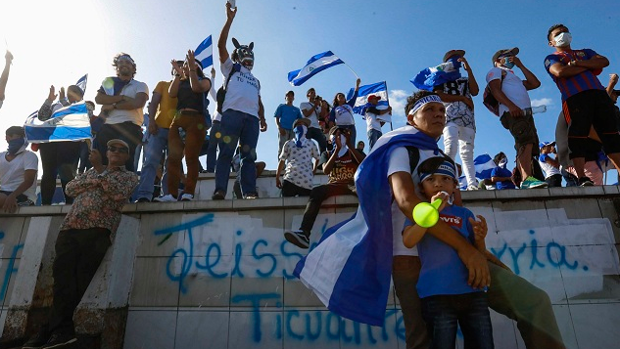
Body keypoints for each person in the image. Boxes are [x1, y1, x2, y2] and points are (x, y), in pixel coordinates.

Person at [20, 139, 138, 349]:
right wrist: (98, 177)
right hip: (71, 227)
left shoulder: (128, 176)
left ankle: (51, 330)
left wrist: (100, 172)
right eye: (112, 148)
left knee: (78, 282)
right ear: (107, 151)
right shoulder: (90, 172)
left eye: (122, 150)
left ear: (127, 157)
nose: (116, 152)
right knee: (62, 280)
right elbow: (71, 188)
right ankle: (59, 330)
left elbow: (118, 193)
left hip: (97, 231)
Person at [402, 157, 493, 349]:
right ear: (422, 187)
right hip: (436, 295)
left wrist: (480, 238)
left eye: (445, 179)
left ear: (454, 186)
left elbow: (478, 255)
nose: (438, 184)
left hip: (473, 292)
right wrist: (433, 210)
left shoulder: (464, 214)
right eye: (431, 180)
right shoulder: (419, 211)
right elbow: (409, 240)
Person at [544, 24, 620, 186]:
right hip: (574, 97)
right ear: (551, 42)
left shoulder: (585, 52)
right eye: (558, 33)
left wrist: (577, 64)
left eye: (565, 31)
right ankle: (581, 177)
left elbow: (603, 61)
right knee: (577, 136)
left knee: (611, 135)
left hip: (599, 95)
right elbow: (560, 72)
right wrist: (588, 66)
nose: (563, 35)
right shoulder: (552, 58)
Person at [213, 2, 267, 200]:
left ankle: (249, 192)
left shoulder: (255, 80)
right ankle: (220, 189)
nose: (249, 57)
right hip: (232, 114)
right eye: (245, 54)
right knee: (226, 152)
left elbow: (258, 99)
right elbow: (221, 46)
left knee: (249, 157)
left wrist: (262, 117)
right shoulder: (231, 68)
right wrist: (229, 20)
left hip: (251, 119)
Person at [284, 126, 364, 248]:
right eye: (335, 134)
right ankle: (304, 233)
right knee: (316, 192)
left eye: (341, 133)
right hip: (334, 184)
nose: (339, 136)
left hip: (351, 184)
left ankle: (373, 226)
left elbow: (364, 162)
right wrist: (336, 151)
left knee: (364, 190)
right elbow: (326, 170)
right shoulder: (326, 154)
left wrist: (350, 145)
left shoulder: (353, 152)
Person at [487, 47, 547, 189]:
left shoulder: (514, 77)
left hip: (525, 114)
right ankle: (527, 178)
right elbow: (495, 90)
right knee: (525, 140)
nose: (511, 58)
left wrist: (521, 66)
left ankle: (525, 178)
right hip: (512, 112)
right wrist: (511, 106)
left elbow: (535, 83)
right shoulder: (495, 71)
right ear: (498, 60)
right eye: (507, 55)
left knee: (527, 143)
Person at [158, 51, 211, 202]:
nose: (186, 67)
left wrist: (192, 70)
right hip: (179, 119)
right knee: (173, 158)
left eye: (189, 65)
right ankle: (171, 194)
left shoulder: (205, 80)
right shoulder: (180, 81)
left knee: (191, 157)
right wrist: (177, 74)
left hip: (196, 120)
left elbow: (197, 88)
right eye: (186, 65)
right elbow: (171, 93)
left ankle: (189, 192)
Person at [135, 60, 182, 202]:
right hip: (159, 128)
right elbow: (154, 103)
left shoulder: (186, 88)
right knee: (150, 162)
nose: (179, 69)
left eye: (181, 67)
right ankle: (144, 195)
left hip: (177, 131)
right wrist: (152, 122)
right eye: (176, 67)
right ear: (172, 71)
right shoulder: (162, 84)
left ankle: (167, 195)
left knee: (171, 165)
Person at [94, 53, 149, 172]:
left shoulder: (140, 85)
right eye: (120, 63)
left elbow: (137, 103)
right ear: (116, 68)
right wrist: (122, 98)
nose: (124, 64)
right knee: (103, 164)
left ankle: (125, 190)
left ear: (133, 68)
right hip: (107, 127)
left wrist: (111, 106)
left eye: (128, 63)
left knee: (126, 164)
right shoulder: (109, 83)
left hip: (130, 127)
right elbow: (99, 99)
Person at [434, 50, 479, 190]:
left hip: (467, 118)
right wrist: (462, 98)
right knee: (451, 146)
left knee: (467, 153)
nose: (459, 60)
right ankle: (447, 181)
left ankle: (472, 184)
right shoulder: (440, 78)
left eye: (461, 58)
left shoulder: (464, 79)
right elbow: (439, 96)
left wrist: (469, 69)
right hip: (450, 116)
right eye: (456, 58)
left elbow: (475, 91)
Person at [37, 85, 85, 205]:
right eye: (69, 93)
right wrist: (49, 100)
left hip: (70, 144)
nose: (70, 96)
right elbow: (42, 117)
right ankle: (45, 204)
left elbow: (76, 117)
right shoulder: (55, 105)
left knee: (67, 173)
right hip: (50, 143)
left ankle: (70, 204)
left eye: (74, 93)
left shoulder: (82, 107)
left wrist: (64, 101)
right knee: (49, 173)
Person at [276, 118, 320, 197]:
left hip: (306, 180)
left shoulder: (311, 143)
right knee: (286, 205)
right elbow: (282, 160)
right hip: (290, 178)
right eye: (299, 125)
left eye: (304, 125)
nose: (302, 126)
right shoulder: (289, 143)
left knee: (304, 206)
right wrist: (277, 177)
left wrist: (313, 170)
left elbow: (317, 158)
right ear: (295, 129)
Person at [0, 126, 37, 212]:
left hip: (23, 195)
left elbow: (28, 181)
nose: (23, 139)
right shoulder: (1, 156)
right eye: (18, 137)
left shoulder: (29, 156)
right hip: (3, 192)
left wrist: (13, 196)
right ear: (8, 138)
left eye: (23, 137)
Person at [329, 78, 361, 144]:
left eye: (343, 96)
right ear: (336, 99)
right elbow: (331, 120)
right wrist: (331, 131)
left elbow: (355, 96)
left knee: (351, 144)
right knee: (341, 144)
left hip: (351, 126)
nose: (341, 97)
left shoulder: (349, 104)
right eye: (339, 96)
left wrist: (357, 85)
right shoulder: (335, 108)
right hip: (340, 127)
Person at [274, 90, 303, 157]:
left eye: (291, 96)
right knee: (282, 148)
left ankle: (290, 165)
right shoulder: (281, 106)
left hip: (293, 131)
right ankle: (281, 167)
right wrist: (279, 127)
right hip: (283, 129)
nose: (290, 97)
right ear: (285, 97)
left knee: (292, 148)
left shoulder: (297, 109)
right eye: (288, 95)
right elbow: (276, 117)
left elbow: (300, 120)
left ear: (293, 98)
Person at [300, 88, 328, 153]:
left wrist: (322, 105)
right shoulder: (304, 104)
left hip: (316, 127)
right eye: (312, 93)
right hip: (307, 127)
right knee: (306, 144)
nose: (314, 94)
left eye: (314, 93)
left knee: (322, 141)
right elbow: (306, 114)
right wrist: (315, 105)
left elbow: (322, 116)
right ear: (308, 95)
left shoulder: (318, 106)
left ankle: (322, 159)